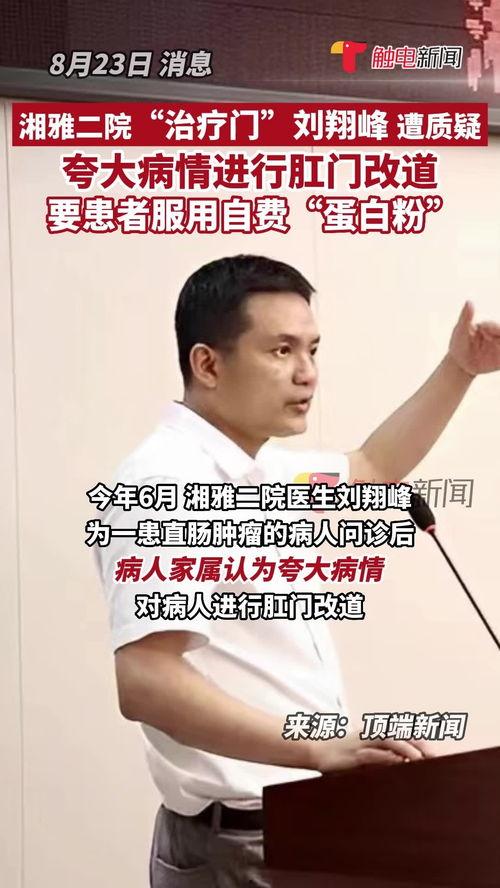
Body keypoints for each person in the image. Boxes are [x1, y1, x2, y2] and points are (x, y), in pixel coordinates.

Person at [96, 254, 500, 887]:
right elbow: (146, 679)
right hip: (237, 842)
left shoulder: (268, 472)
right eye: (281, 350)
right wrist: (316, 746)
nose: (307, 373)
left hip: (304, 822)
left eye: (312, 350)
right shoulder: (164, 482)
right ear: (208, 364)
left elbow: (371, 466)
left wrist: (459, 369)